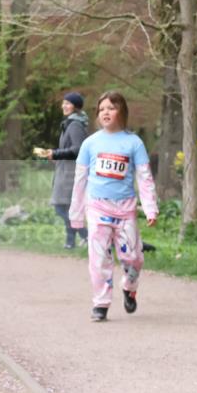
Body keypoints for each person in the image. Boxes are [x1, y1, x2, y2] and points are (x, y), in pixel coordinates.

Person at [69, 91, 158, 322]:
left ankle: (129, 286)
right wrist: (76, 214)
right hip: (97, 209)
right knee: (98, 259)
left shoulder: (133, 143)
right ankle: (101, 303)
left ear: (122, 111)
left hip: (125, 210)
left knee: (134, 259)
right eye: (101, 109)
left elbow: (144, 177)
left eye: (111, 107)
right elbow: (80, 180)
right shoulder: (90, 144)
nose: (106, 112)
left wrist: (150, 207)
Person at [33, 92, 90, 248]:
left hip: (71, 174)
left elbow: (78, 149)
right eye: (63, 103)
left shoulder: (75, 125)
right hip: (65, 171)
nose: (63, 106)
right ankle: (70, 243)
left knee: (61, 207)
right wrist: (54, 156)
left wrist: (55, 153)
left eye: (67, 103)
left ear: (75, 106)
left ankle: (86, 236)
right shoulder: (70, 123)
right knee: (66, 207)